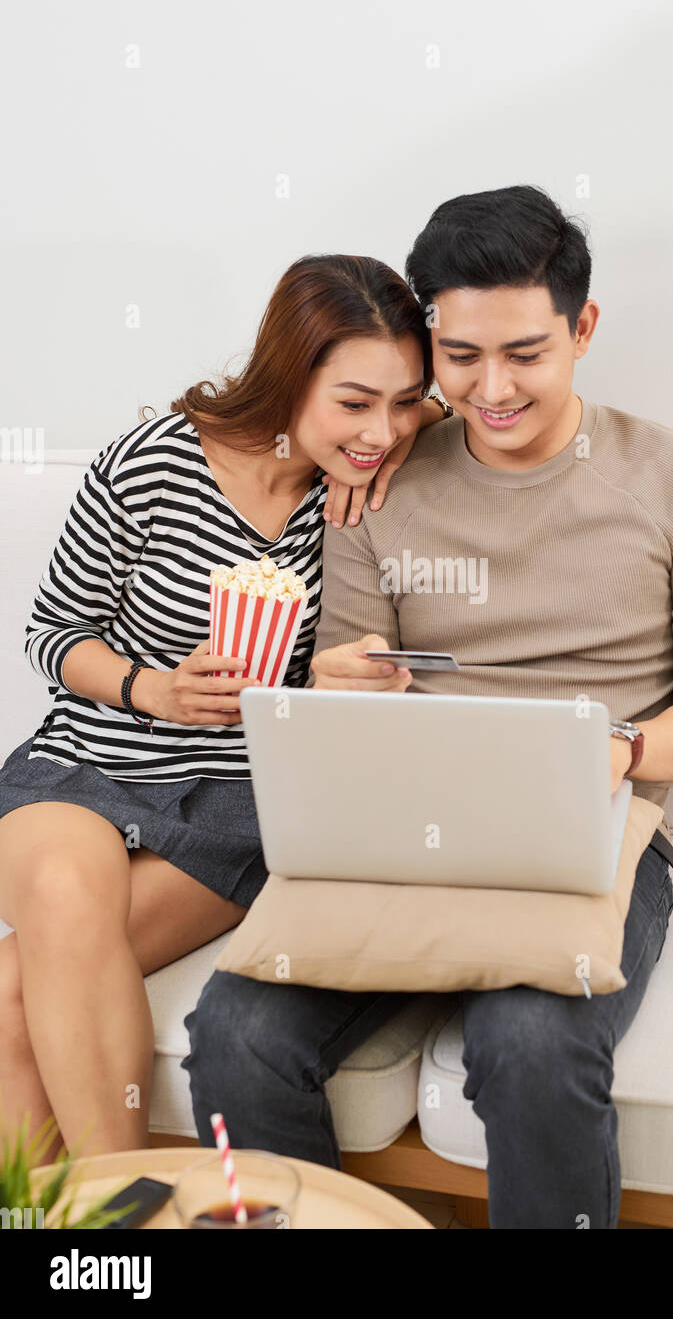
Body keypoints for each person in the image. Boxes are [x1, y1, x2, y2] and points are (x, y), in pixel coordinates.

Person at [182, 185, 673, 1228]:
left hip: (593, 831)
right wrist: (340, 681)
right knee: (235, 1027)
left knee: (531, 1041)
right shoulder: (384, 477)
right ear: (429, 341)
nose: (491, 388)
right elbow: (337, 664)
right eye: (460, 358)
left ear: (583, 329)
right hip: (402, 835)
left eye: (526, 354)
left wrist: (623, 747)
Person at [0, 254, 449, 1161]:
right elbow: (54, 632)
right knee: (57, 885)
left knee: (12, 992)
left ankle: (95, 1242)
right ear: (289, 376)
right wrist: (151, 687)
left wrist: (337, 681)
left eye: (404, 402)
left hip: (241, 801)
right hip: (92, 760)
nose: (381, 430)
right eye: (355, 403)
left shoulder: (368, 490)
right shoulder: (153, 461)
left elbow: (469, 409)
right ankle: (121, 1225)